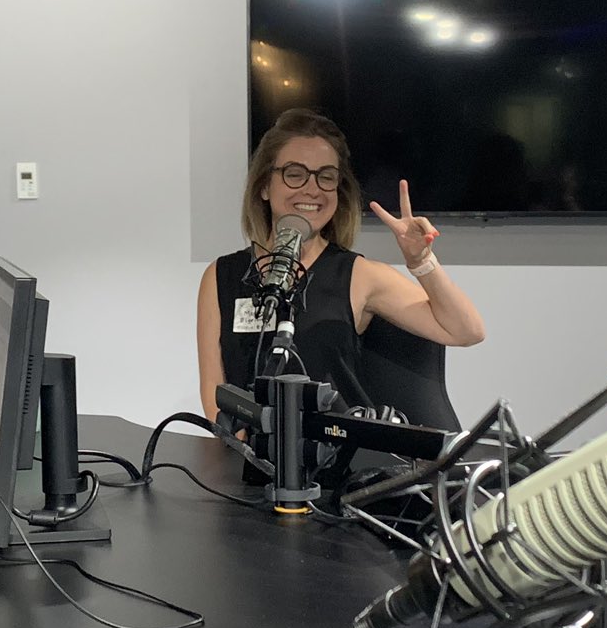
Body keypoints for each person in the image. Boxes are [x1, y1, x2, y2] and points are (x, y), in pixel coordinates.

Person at [197, 109, 485, 423]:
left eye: (326, 176)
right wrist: (245, 456)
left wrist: (421, 261)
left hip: (336, 462)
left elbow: (466, 331)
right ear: (265, 186)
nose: (312, 188)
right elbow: (215, 392)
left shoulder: (359, 276)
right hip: (251, 462)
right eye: (295, 173)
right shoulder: (221, 275)